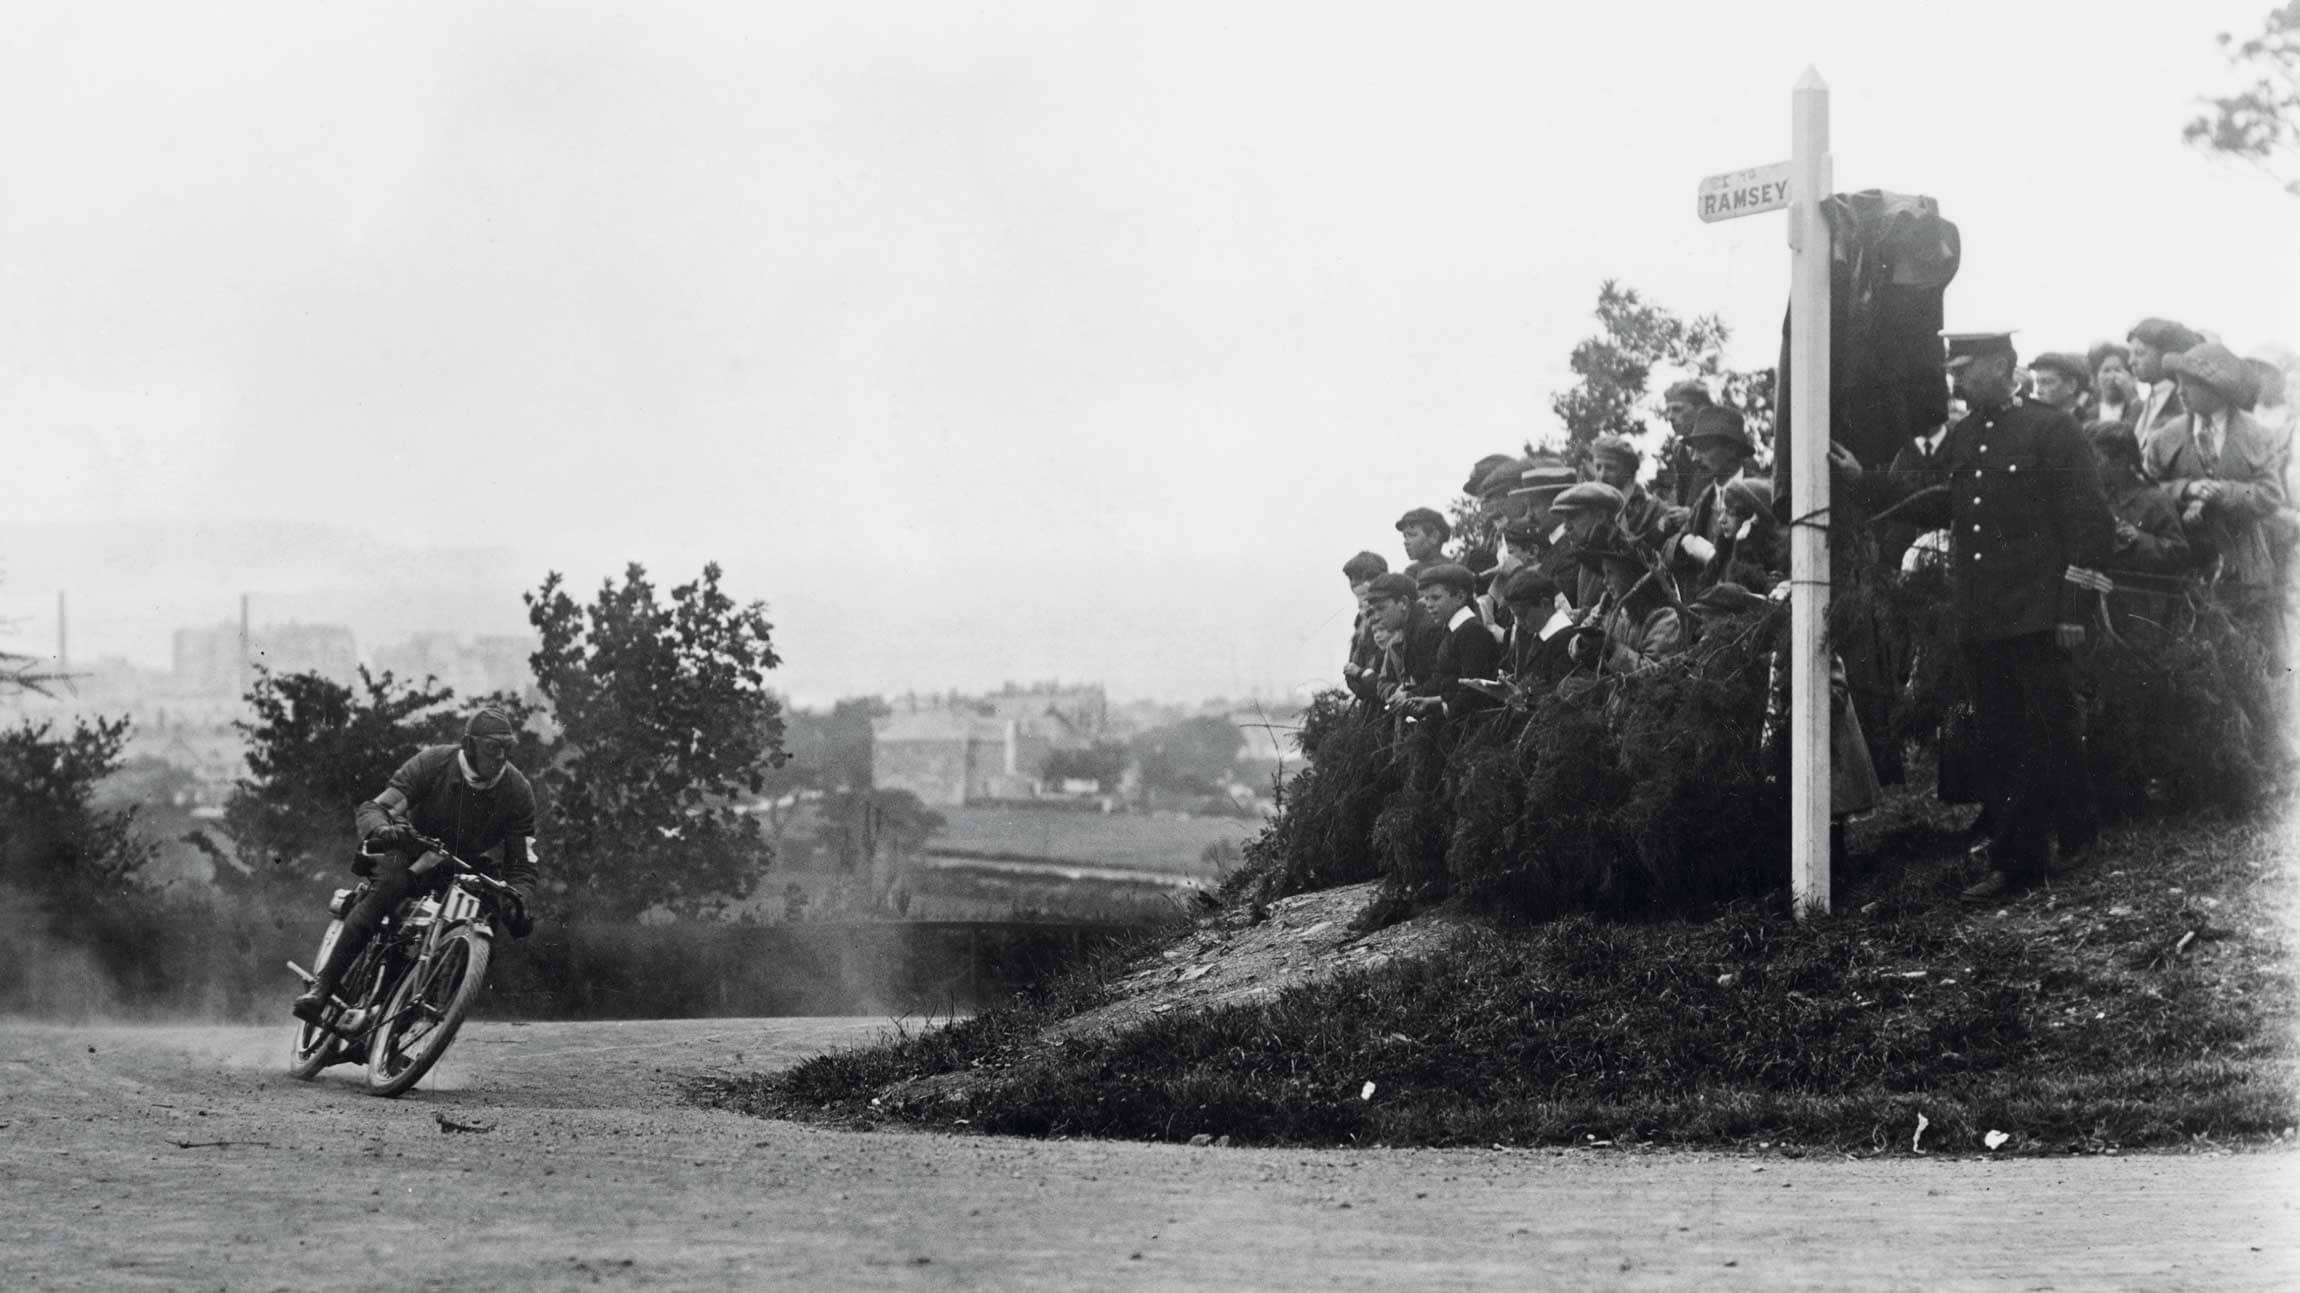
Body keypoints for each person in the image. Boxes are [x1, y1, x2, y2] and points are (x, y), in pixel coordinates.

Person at [1874, 332, 2116, 901]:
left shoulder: (2052, 429)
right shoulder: (1965, 434)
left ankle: (2069, 833)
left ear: (2004, 364)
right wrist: (1865, 482)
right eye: (1953, 368)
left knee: (2051, 728)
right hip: (1983, 613)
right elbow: (1949, 502)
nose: (1955, 378)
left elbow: (2090, 524)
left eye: (1966, 367)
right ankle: (2022, 855)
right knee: (2002, 737)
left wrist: (2073, 608)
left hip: (2038, 610)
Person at [293, 707, 539, 1024]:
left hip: (463, 865)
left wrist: (518, 900)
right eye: (493, 747)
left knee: (490, 918)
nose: (502, 756)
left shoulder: (517, 790)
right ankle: (322, 989)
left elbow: (522, 864)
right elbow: (378, 807)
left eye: (508, 747)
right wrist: (383, 830)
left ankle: (407, 1019)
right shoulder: (435, 763)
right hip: (413, 849)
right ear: (469, 745)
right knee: (387, 890)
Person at [2147, 342, 2288, 610]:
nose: (2180, 392)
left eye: (2188, 384)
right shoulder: (2165, 436)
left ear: (2216, 388)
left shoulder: (2257, 435)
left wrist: (2224, 491)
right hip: (2182, 568)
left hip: (2243, 569)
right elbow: (2147, 489)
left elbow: (2269, 494)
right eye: (2178, 383)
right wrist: (2186, 489)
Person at [1395, 563, 1502, 721]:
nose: (1429, 605)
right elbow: (1444, 681)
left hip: (1469, 724)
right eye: (1426, 598)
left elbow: (1474, 691)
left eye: (1435, 598)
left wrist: (1437, 707)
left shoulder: (1472, 632)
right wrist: (1416, 696)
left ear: (1460, 597)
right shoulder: (1452, 630)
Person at [1568, 532, 1685, 675]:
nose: (1605, 581)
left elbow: (1655, 672)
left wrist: (1612, 649)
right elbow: (1574, 648)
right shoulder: (1606, 608)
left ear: (1629, 574)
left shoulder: (1664, 617)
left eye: (1610, 573)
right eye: (1604, 574)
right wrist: (1583, 642)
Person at [1347, 572, 1442, 707]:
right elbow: (1384, 683)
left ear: (1403, 603)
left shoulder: (1428, 630)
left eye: (1381, 608)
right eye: (1374, 610)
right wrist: (1400, 692)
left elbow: (1440, 681)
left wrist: (1409, 694)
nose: (1376, 617)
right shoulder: (1403, 635)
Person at [2126, 317, 2206, 455]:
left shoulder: (2184, 403)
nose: (2130, 361)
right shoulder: (2138, 406)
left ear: (2165, 354)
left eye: (2139, 353)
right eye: (2130, 354)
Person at [1588, 433, 1682, 547]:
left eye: (1610, 468)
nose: (1602, 475)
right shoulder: (1592, 507)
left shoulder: (1653, 510)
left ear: (1628, 471)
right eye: (1598, 467)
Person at [1340, 550, 1390, 692]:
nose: (1354, 582)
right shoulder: (1360, 618)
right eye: (1351, 577)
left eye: (1359, 576)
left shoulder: (1389, 615)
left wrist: (1361, 676)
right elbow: (1352, 668)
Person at [2028, 352, 2092, 421]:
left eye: (2047, 383)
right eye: (2038, 383)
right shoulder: (2039, 420)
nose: (2038, 391)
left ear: (2071, 386)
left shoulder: (2088, 423)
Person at [2089, 342, 2139, 427]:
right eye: (2106, 370)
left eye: (2117, 370)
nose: (2112, 377)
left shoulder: (2139, 410)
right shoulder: (2088, 416)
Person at [1395, 507, 1452, 581]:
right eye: (1405, 536)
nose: (1406, 542)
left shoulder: (1453, 572)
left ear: (1434, 537)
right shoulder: (1411, 572)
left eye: (1412, 535)